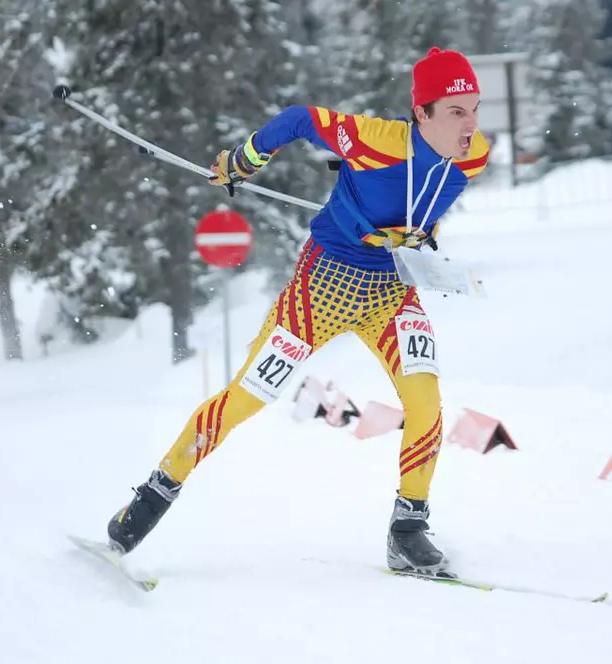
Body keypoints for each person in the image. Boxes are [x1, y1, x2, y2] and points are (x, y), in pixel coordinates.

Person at [104, 47, 489, 576]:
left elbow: (427, 200)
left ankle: (408, 529)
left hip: (389, 291)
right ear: (421, 112)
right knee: (246, 399)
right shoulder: (377, 141)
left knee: (426, 399)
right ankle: (151, 497)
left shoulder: (474, 154)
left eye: (474, 108)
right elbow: (299, 120)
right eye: (456, 111)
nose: (471, 125)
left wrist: (421, 236)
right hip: (323, 288)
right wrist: (244, 159)